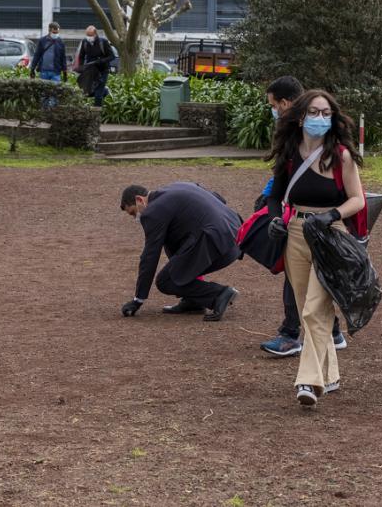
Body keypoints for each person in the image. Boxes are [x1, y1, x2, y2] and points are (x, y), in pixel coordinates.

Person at [265, 90, 365, 406]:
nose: (319, 118)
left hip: (330, 235)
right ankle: (329, 374)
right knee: (307, 308)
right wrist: (275, 219)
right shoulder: (289, 154)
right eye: (313, 112)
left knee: (314, 309)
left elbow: (358, 200)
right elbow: (274, 196)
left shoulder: (342, 156)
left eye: (325, 113)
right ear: (300, 117)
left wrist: (332, 215)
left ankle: (308, 381)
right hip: (296, 233)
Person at [256, 77, 347, 357]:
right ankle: (330, 332)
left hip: (325, 225)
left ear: (285, 103)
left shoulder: (334, 151)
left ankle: (291, 334)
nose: (274, 111)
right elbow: (283, 178)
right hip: (298, 222)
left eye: (274, 106)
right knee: (304, 279)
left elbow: (352, 193)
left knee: (308, 281)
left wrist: (331, 215)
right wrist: (274, 211)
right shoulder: (291, 142)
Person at [119, 182, 242, 321]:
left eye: (133, 213)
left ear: (139, 200)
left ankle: (219, 294)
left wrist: (138, 299)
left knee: (166, 280)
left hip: (218, 243)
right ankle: (193, 301)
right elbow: (219, 198)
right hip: (236, 235)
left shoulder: (152, 211)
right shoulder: (179, 186)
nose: (136, 217)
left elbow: (150, 255)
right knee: (173, 245)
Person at [72, 25, 115, 106]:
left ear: (95, 34)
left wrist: (100, 61)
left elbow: (112, 56)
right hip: (90, 70)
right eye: (87, 35)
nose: (89, 37)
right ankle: (105, 91)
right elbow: (81, 56)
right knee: (88, 91)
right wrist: (81, 67)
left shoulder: (103, 42)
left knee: (98, 93)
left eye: (90, 35)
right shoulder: (85, 42)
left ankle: (97, 110)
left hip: (102, 70)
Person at [30, 22, 68, 108]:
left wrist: (65, 72)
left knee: (55, 91)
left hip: (56, 71)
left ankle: (53, 109)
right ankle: (44, 109)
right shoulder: (42, 41)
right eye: (54, 32)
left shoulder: (60, 42)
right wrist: (32, 68)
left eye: (57, 32)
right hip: (44, 71)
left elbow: (63, 57)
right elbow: (37, 55)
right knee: (44, 92)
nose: (56, 34)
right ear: (49, 30)